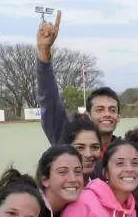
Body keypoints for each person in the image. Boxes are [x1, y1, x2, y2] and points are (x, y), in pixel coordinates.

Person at [35, 11, 120, 154]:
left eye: (112, 110)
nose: (107, 114)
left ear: (119, 117)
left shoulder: (126, 153)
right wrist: (44, 55)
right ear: (87, 115)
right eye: (99, 110)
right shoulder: (67, 142)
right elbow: (50, 101)